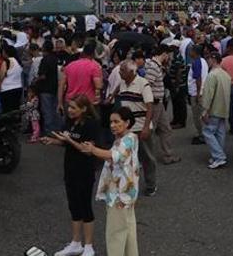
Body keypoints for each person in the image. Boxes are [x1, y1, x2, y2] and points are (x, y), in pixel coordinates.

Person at [42, 95, 103, 256]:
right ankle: (76, 242)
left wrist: (69, 140)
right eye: (69, 107)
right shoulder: (70, 122)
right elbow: (64, 141)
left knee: (85, 206)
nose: (69, 110)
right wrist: (52, 141)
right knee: (73, 205)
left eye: (74, 108)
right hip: (70, 169)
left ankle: (89, 245)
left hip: (85, 170)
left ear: (83, 109)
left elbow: (86, 149)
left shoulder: (91, 124)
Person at [78, 108, 141, 256]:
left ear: (127, 123)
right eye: (111, 122)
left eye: (116, 122)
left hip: (119, 195)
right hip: (128, 193)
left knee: (115, 234)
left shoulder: (125, 141)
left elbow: (114, 156)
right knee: (128, 229)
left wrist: (93, 149)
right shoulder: (131, 137)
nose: (112, 125)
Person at [112, 60, 157, 196]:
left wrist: (145, 128)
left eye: (122, 71)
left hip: (141, 126)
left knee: (147, 157)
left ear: (131, 72)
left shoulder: (143, 84)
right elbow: (117, 91)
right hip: (127, 129)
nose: (119, 73)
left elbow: (150, 107)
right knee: (128, 158)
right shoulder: (123, 84)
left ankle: (151, 185)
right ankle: (129, 184)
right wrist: (111, 97)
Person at [146, 45, 180, 164]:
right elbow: (147, 85)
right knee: (149, 131)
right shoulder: (153, 67)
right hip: (154, 104)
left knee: (166, 129)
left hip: (159, 102)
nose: (169, 58)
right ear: (164, 54)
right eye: (168, 55)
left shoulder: (157, 66)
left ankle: (168, 155)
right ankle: (145, 158)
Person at [201, 52, 231, 169]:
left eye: (208, 58)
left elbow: (208, 94)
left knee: (208, 132)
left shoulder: (212, 75)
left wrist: (205, 110)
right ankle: (218, 155)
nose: (207, 61)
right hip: (224, 108)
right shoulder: (225, 75)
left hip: (214, 108)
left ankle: (219, 156)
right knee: (220, 133)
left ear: (213, 60)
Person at [36, 40, 62, 134]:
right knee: (55, 110)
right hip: (55, 87)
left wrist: (35, 80)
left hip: (45, 88)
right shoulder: (56, 58)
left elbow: (42, 75)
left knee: (47, 111)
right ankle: (58, 130)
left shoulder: (45, 59)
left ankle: (49, 131)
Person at [187, 44, 208, 145]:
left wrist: (198, 94)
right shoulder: (203, 61)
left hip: (197, 93)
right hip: (202, 91)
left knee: (197, 116)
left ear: (195, 52)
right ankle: (204, 134)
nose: (189, 52)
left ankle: (202, 135)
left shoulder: (196, 62)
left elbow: (198, 79)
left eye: (191, 51)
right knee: (202, 114)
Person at [0, 45, 24, 112]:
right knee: (15, 109)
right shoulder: (18, 61)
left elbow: (0, 77)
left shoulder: (6, 62)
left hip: (7, 90)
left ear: (6, 52)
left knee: (8, 111)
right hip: (18, 88)